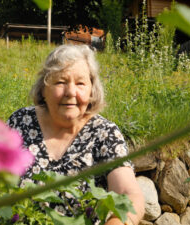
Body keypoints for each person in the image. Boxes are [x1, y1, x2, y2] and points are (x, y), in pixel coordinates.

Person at [7, 45, 145, 225]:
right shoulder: (21, 122)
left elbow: (130, 194)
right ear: (43, 89)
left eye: (80, 83)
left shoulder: (104, 133)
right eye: (60, 82)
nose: (71, 92)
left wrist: (118, 222)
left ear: (91, 91)